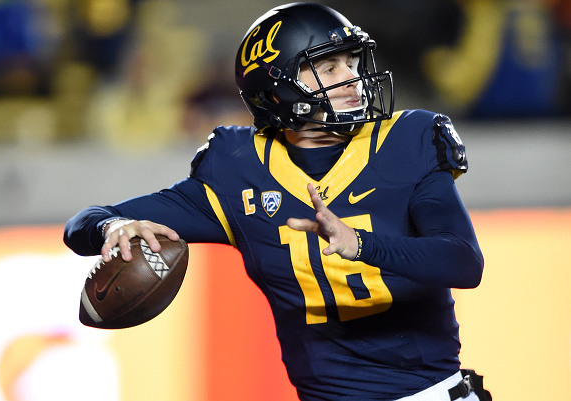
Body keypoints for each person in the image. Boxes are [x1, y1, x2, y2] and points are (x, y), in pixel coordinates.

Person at [64, 3, 491, 400]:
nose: (353, 78)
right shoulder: (237, 170)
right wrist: (113, 228)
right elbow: (83, 224)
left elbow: (464, 262)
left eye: (352, 62)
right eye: (328, 66)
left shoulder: (405, 140)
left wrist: (361, 244)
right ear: (277, 89)